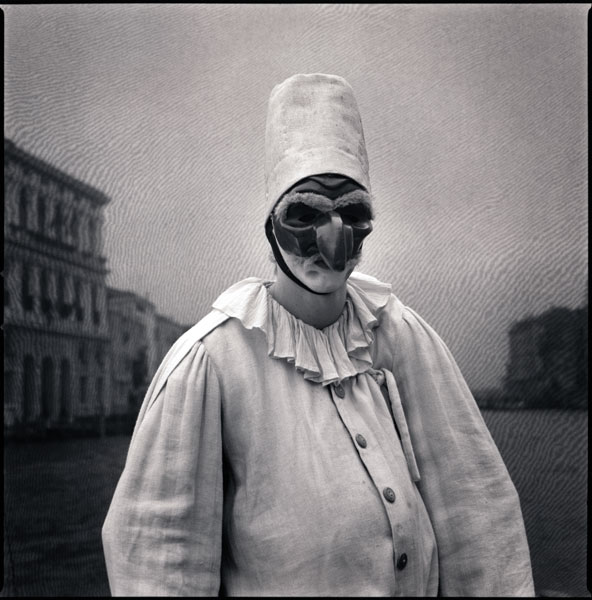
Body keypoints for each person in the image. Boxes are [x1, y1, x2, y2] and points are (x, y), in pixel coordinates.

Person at [102, 73, 535, 596]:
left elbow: (479, 515)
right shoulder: (212, 362)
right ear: (271, 224)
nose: (333, 239)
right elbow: (158, 562)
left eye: (352, 213)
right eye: (304, 213)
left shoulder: (402, 337)